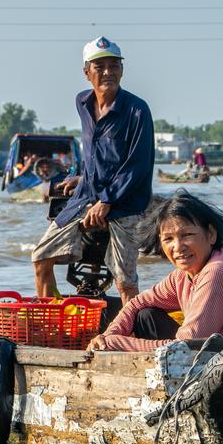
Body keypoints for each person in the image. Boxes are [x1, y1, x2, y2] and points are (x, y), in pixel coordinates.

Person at [31, 36, 154, 304]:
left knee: (125, 281)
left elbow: (138, 165)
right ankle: (53, 319)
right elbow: (96, 151)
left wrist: (107, 200)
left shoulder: (137, 110)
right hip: (85, 197)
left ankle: (125, 335)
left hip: (125, 204)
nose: (108, 72)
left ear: (122, 69)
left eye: (114, 66)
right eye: (100, 67)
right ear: (87, 72)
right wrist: (82, 177)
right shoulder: (83, 103)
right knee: (41, 258)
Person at [87, 191, 223, 352]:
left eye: (187, 235)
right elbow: (137, 303)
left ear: (211, 234)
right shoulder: (182, 276)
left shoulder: (217, 272)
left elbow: (185, 346)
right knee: (145, 315)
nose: (178, 247)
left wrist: (117, 344)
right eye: (168, 239)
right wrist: (108, 335)